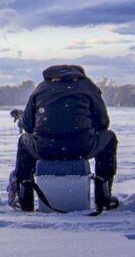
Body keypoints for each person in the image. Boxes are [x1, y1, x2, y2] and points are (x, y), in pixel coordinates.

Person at [9, 65, 119, 211]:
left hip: (45, 148)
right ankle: (103, 196)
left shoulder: (40, 88)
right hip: (82, 147)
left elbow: (28, 127)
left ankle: (25, 199)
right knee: (109, 138)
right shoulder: (88, 86)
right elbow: (103, 123)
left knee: (23, 141)